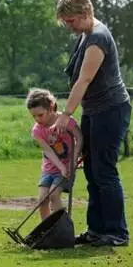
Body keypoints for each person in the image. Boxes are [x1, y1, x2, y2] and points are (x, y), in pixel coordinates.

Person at [52, 0, 132, 247]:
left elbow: (85, 79)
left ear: (85, 13)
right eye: (66, 22)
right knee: (91, 170)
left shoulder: (98, 38)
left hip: (111, 110)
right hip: (95, 110)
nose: (69, 27)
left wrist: (66, 114)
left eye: (71, 21)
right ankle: (97, 230)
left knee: (105, 171)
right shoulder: (86, 34)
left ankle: (117, 232)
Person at [26, 88, 83, 220]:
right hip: (49, 169)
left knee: (54, 195)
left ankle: (61, 226)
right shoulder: (37, 130)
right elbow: (48, 151)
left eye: (40, 115)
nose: (37, 119)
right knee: (42, 199)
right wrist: (61, 167)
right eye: (33, 116)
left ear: (51, 107)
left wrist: (72, 162)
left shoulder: (66, 121)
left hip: (67, 168)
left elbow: (79, 138)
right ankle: (46, 230)